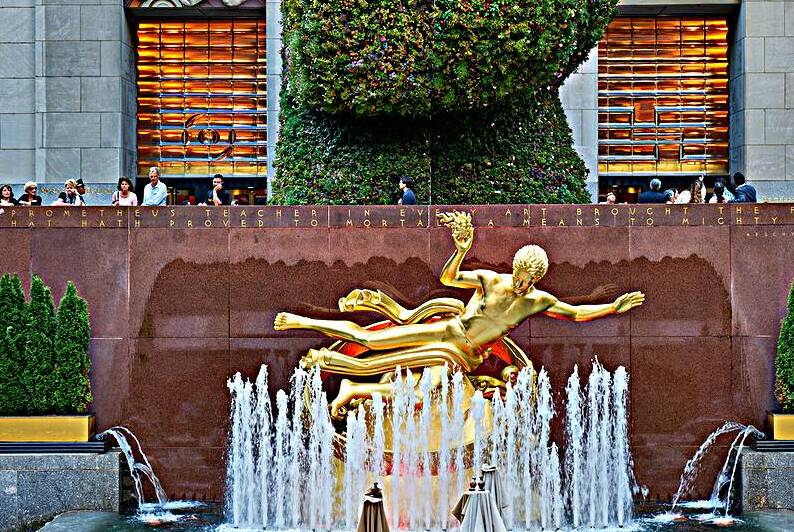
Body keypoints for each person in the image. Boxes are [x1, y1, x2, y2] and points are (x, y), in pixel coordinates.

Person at [274, 211, 645, 415]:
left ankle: (354, 388)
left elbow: (576, 313)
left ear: (537, 279)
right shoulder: (491, 279)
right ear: (514, 268)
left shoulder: (538, 301)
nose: (519, 282)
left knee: (419, 387)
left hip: (464, 355)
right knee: (369, 339)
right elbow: (449, 277)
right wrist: (461, 248)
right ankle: (301, 321)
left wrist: (613, 306)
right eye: (518, 273)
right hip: (448, 332)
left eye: (527, 278)